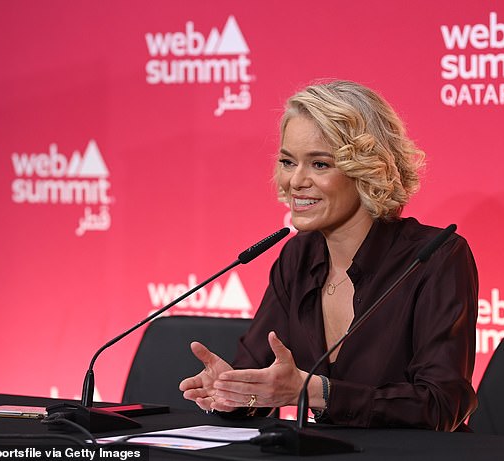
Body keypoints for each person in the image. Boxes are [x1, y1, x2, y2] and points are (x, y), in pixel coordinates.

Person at [179, 80, 478, 431]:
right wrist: (233, 391)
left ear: (367, 169)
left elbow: (442, 405)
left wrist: (318, 391)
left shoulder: (435, 257)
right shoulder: (297, 257)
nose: (295, 181)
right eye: (288, 162)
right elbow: (263, 378)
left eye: (320, 164)